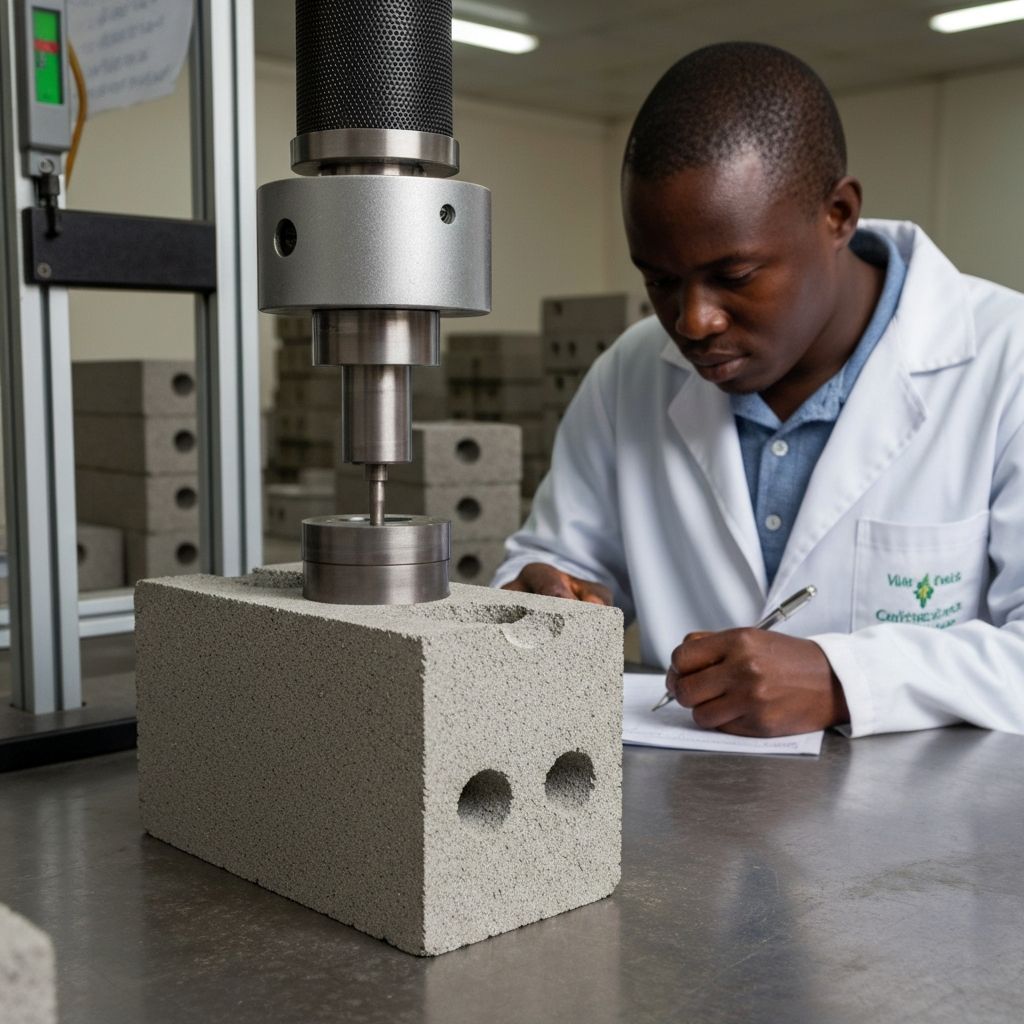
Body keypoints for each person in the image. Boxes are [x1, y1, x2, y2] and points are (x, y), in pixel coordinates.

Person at [493, 41, 1024, 739]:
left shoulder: (1004, 360)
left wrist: (842, 679)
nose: (692, 320)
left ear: (837, 213)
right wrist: (543, 588)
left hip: (933, 835)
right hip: (688, 820)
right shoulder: (631, 372)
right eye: (659, 279)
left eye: (735, 276)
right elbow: (563, 558)